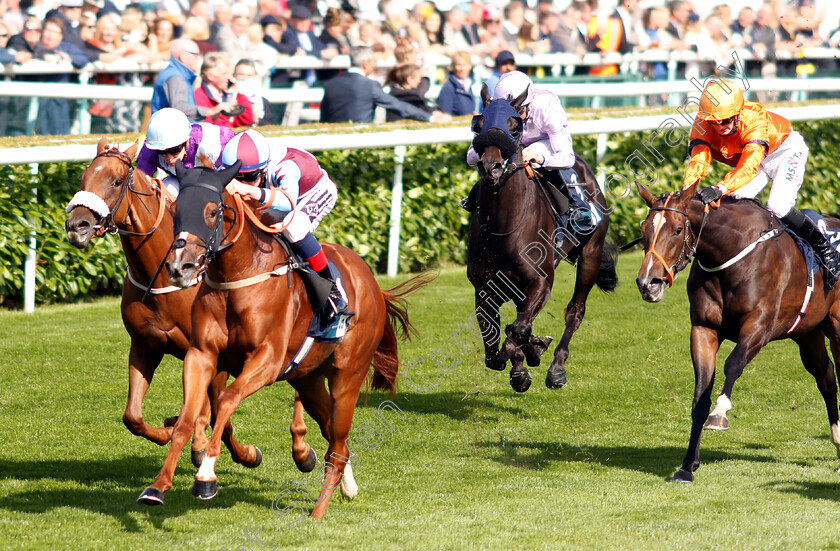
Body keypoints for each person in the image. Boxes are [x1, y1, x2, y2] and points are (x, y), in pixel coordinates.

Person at [684, 79, 840, 289]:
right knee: (730, 203)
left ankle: (827, 251)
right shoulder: (703, 123)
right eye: (715, 122)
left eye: (727, 120)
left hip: (785, 151)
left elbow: (749, 165)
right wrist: (687, 193)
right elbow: (698, 160)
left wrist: (720, 188)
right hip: (756, 159)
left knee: (778, 206)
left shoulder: (754, 118)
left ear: (738, 112)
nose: (721, 126)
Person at [221, 129, 350, 333]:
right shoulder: (229, 163)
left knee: (292, 225)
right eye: (238, 177)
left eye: (250, 177)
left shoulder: (285, 167)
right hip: (277, 193)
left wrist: (246, 189)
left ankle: (333, 292)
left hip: (311, 193)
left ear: (263, 170)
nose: (243, 182)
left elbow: (288, 201)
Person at [463, 71, 598, 234]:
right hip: (514, 145)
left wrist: (540, 158)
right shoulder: (497, 112)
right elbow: (471, 157)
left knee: (531, 151)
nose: (513, 116)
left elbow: (567, 158)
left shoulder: (547, 109)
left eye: (518, 112)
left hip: (544, 142)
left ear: (529, 104)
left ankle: (578, 207)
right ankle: (475, 197)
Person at [320, 45, 451, 124]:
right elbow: (397, 106)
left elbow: (324, 119)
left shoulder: (330, 84)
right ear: (366, 63)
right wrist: (430, 118)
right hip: (359, 142)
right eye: (373, 62)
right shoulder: (369, 85)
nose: (374, 65)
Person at [136, 107, 235, 197]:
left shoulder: (214, 143)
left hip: (214, 179)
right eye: (161, 152)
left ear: (186, 141)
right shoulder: (151, 147)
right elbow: (141, 182)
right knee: (165, 189)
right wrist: (145, 181)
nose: (170, 159)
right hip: (182, 181)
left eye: (174, 150)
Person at [151, 38, 235, 122]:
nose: (198, 59)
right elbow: (179, 108)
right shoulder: (176, 77)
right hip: (170, 131)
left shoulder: (175, 73)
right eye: (196, 55)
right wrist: (211, 111)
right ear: (183, 56)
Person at [194, 52, 255, 128]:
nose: (229, 77)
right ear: (210, 76)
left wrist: (237, 95)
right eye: (224, 74)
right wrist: (222, 110)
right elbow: (208, 127)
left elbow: (247, 120)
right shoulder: (199, 95)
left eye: (229, 74)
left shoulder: (226, 94)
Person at [437, 50, 477, 116]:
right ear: (452, 67)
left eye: (465, 65)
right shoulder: (449, 87)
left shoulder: (469, 85)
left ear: (470, 66)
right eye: (459, 65)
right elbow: (445, 114)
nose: (462, 69)